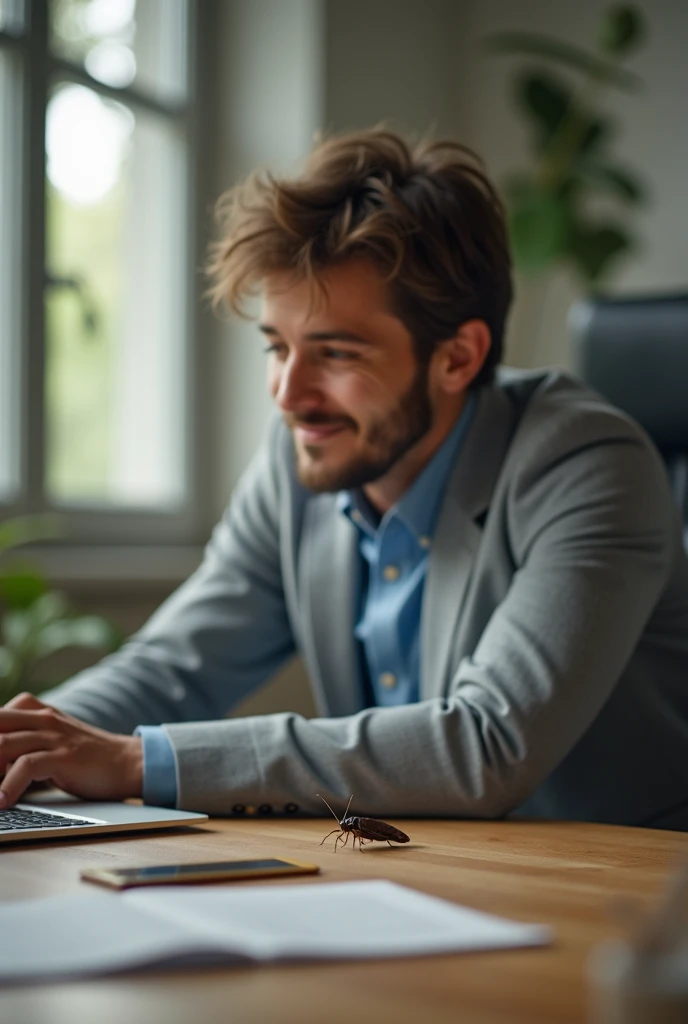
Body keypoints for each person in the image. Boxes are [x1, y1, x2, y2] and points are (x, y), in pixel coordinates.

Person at [2, 129, 688, 830]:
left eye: (334, 353)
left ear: (457, 357)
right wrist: (24, 746)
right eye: (278, 347)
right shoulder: (298, 458)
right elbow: (174, 668)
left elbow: (487, 744)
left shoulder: (590, 464)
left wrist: (134, 761)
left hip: (622, 890)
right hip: (414, 872)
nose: (289, 395)